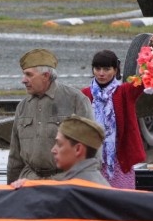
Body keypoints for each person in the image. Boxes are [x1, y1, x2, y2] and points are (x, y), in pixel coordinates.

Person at [7, 49, 92, 183]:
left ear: (46, 76)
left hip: (64, 183)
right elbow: (15, 156)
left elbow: (91, 151)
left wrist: (83, 186)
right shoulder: (23, 107)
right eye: (24, 75)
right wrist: (10, 190)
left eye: (29, 75)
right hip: (29, 182)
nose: (23, 80)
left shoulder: (76, 100)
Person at [81, 50, 146, 189]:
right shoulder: (84, 94)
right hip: (93, 158)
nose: (101, 73)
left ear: (115, 70)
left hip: (119, 158)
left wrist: (151, 46)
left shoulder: (125, 91)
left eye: (106, 69)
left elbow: (145, 78)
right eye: (97, 69)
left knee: (122, 201)